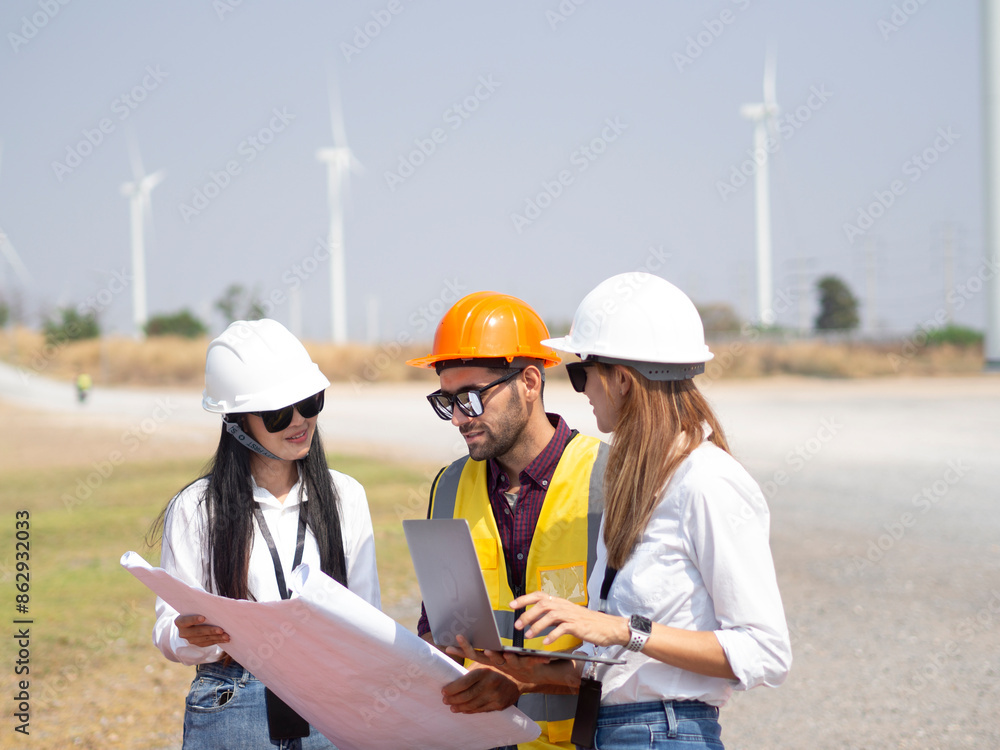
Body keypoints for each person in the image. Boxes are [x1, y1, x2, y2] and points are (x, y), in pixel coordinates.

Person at [449, 273, 792, 750]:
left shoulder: (707, 481)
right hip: (615, 730)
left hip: (664, 733)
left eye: (581, 374)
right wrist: (528, 675)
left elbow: (765, 650)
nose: (581, 390)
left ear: (623, 381)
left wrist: (620, 629)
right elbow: (624, 668)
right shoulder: (637, 482)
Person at [149, 319, 380, 750]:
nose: (300, 421)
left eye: (309, 403)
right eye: (278, 414)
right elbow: (168, 627)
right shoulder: (197, 507)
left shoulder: (345, 496)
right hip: (232, 697)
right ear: (236, 423)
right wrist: (187, 636)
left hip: (330, 699)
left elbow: (367, 617)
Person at [405, 291, 608, 750]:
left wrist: (523, 680)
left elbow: (633, 648)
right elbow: (435, 626)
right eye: (447, 401)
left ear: (530, 381)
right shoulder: (449, 486)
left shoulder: (609, 478)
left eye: (472, 398)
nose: (458, 418)